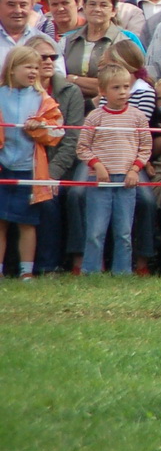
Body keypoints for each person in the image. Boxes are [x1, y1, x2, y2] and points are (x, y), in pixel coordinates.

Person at [74, 64, 152, 276]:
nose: (122, 92)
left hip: (127, 181)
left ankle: (122, 272)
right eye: (116, 87)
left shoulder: (138, 117)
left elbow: (146, 147)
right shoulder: (95, 117)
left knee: (124, 231)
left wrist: (135, 170)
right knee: (96, 231)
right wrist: (97, 165)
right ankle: (90, 271)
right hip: (99, 181)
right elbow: (82, 147)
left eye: (126, 87)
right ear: (103, 91)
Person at [0, 47, 65, 279]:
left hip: (29, 170)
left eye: (36, 68)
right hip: (3, 168)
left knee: (28, 224)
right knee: (1, 223)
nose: (33, 72)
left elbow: (57, 132)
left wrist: (39, 127)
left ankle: (26, 272)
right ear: (11, 69)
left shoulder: (42, 99)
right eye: (28, 67)